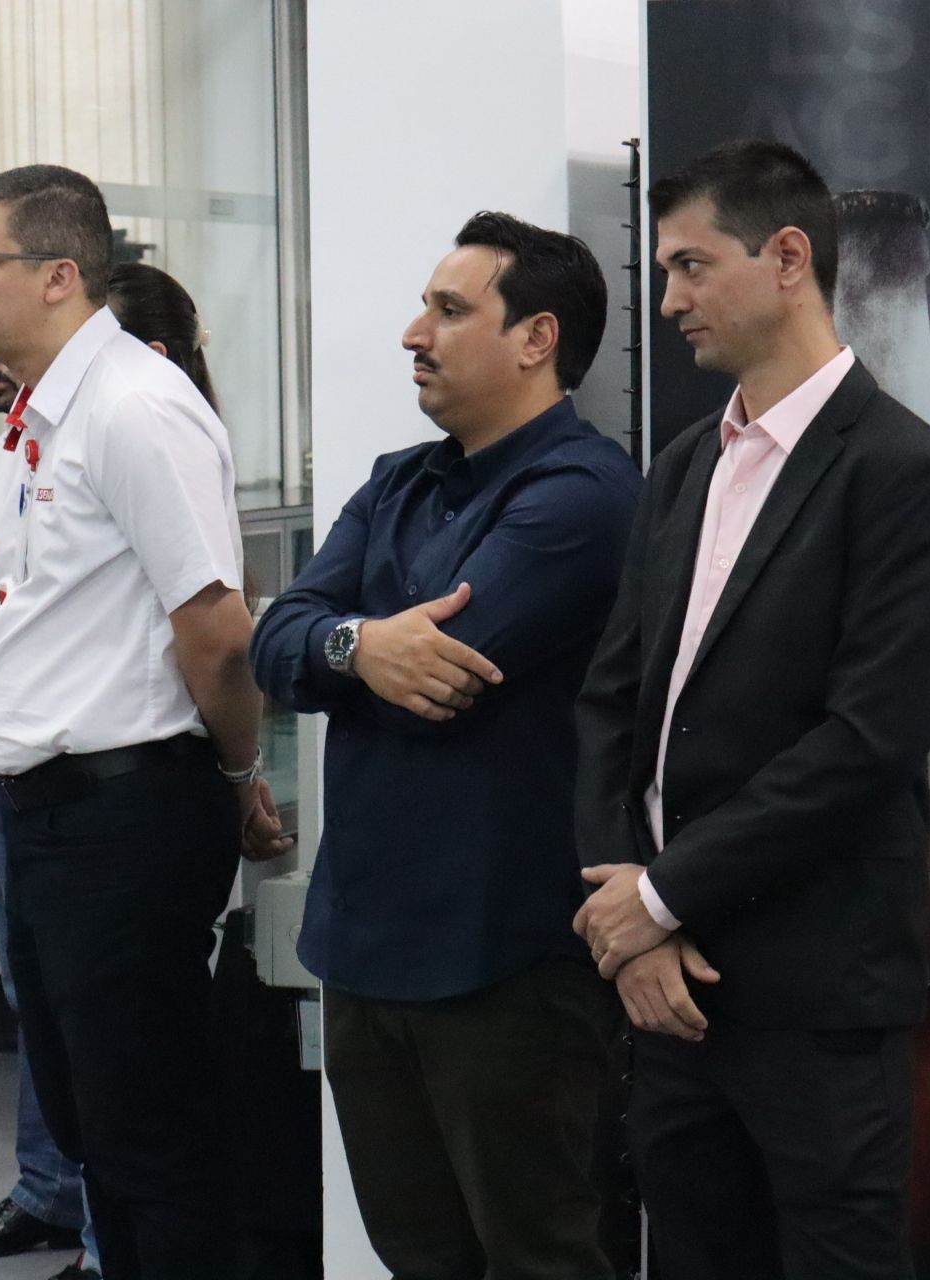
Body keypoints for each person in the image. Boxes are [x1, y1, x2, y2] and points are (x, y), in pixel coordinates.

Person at [573, 139, 930, 1279]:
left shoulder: (906, 474)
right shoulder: (685, 466)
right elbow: (612, 701)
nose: (669, 301)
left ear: (788, 256)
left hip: (813, 995)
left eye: (692, 266)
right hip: (667, 987)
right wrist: (626, 916)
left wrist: (659, 893)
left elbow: (867, 741)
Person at [249, 212, 639, 1277]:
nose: (414, 332)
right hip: (366, 949)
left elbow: (448, 668)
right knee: (416, 1252)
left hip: (504, 962)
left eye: (450, 309)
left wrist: (347, 643)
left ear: (536, 338)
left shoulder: (584, 495)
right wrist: (356, 642)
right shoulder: (396, 480)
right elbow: (274, 639)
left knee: (539, 1251)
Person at [0, 164, 285, 1280]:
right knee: (90, 1119)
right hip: (38, 812)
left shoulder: (137, 408)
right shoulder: (26, 433)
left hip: (128, 810)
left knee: (148, 1126)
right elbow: (8, 616)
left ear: (60, 275)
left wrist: (240, 772)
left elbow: (217, 631)